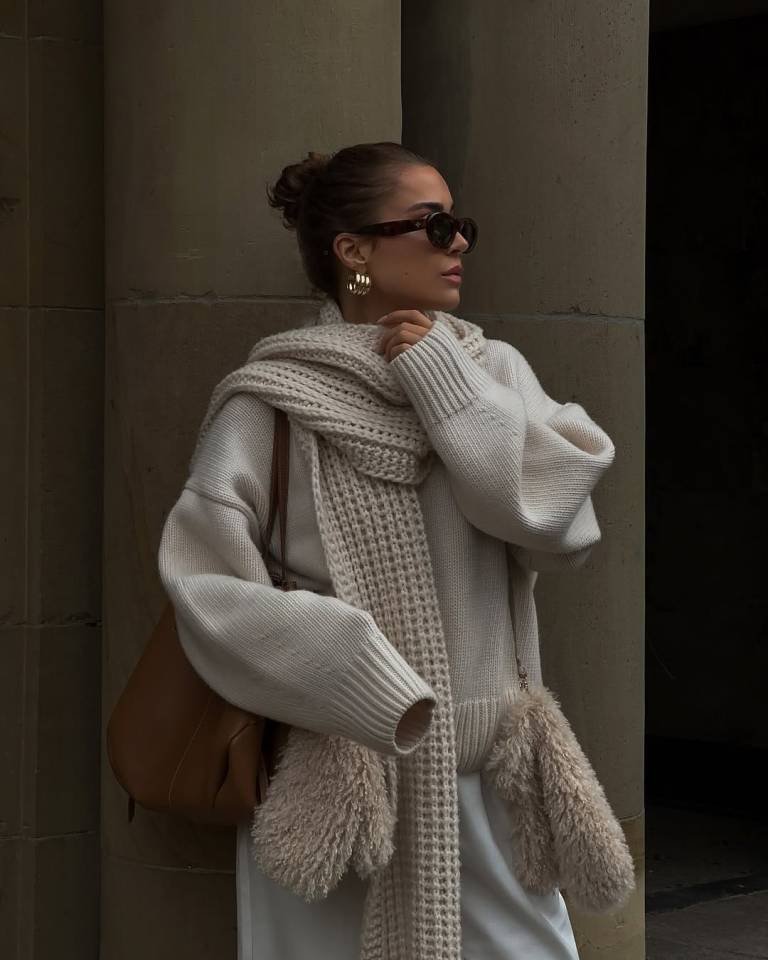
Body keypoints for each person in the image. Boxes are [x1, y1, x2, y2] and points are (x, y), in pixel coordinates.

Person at [157, 141, 617, 960]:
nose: (458, 244)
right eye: (433, 225)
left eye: (461, 225)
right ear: (355, 251)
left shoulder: (492, 371)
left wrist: (446, 387)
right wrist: (361, 676)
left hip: (488, 780)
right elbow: (204, 581)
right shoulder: (272, 399)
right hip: (337, 785)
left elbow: (558, 527)